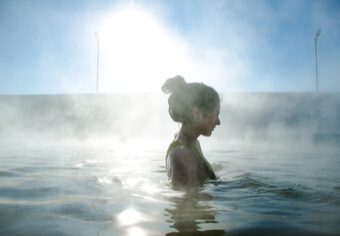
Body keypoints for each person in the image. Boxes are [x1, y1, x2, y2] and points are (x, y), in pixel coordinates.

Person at [162, 75, 221, 188]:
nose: (218, 122)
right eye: (216, 114)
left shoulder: (190, 144)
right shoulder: (184, 155)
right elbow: (184, 204)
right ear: (197, 114)